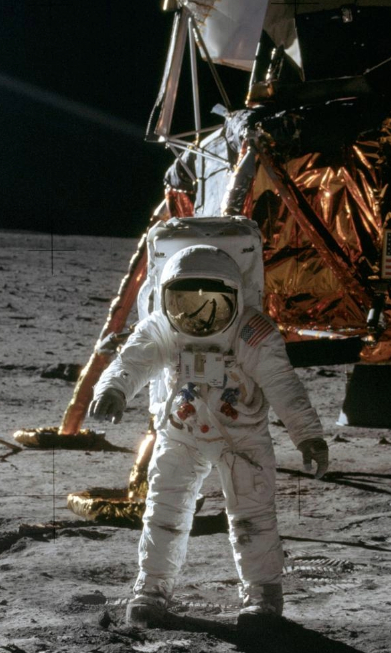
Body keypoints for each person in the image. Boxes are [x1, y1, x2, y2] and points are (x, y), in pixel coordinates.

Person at [87, 244, 330, 631]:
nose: (197, 315)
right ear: (167, 297)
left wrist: (308, 436)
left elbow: (283, 386)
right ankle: (151, 591)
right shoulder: (165, 325)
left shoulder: (252, 332)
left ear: (233, 295)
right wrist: (113, 389)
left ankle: (263, 595)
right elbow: (133, 359)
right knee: (164, 512)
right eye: (183, 301)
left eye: (212, 303)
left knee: (253, 516)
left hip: (241, 439)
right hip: (182, 432)